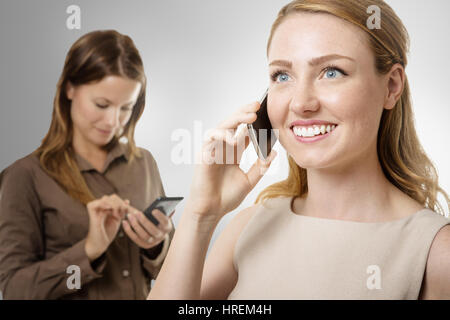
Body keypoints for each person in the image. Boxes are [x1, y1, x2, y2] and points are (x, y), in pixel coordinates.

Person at [147, 0, 449, 300]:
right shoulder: (249, 227)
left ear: (391, 86)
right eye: (282, 76)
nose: (301, 103)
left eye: (332, 72)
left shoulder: (435, 253)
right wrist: (201, 215)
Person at [0, 30, 174, 299]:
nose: (113, 122)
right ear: (69, 88)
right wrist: (89, 250)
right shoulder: (24, 177)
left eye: (125, 108)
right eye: (102, 104)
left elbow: (173, 275)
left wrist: (156, 246)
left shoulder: (144, 163)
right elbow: (15, 290)